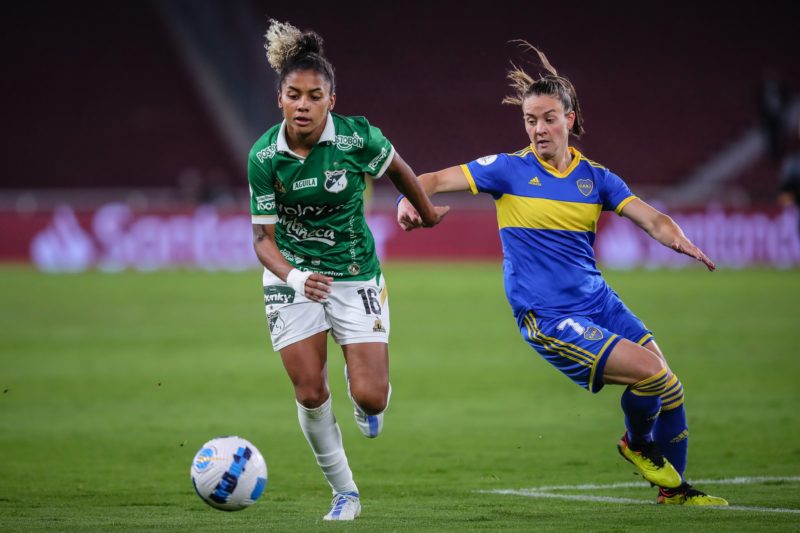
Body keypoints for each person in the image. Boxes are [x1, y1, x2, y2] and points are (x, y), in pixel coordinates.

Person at [397, 42, 727, 506]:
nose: (538, 129)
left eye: (548, 118)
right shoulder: (507, 170)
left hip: (599, 301)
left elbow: (652, 219)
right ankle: (637, 445)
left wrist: (680, 240)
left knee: (670, 386)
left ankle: (674, 492)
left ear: (569, 119)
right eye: (530, 120)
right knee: (652, 374)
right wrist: (407, 200)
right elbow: (431, 180)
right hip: (549, 315)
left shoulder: (596, 178)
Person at [249, 20, 448, 521]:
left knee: (371, 397)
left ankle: (365, 399)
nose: (303, 105)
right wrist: (295, 277)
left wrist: (425, 212)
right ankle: (345, 493)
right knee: (310, 390)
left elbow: (398, 168)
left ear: (330, 101)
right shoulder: (264, 157)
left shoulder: (357, 137)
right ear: (279, 99)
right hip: (293, 277)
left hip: (355, 273)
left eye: (314, 96)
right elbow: (262, 241)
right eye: (294, 95)